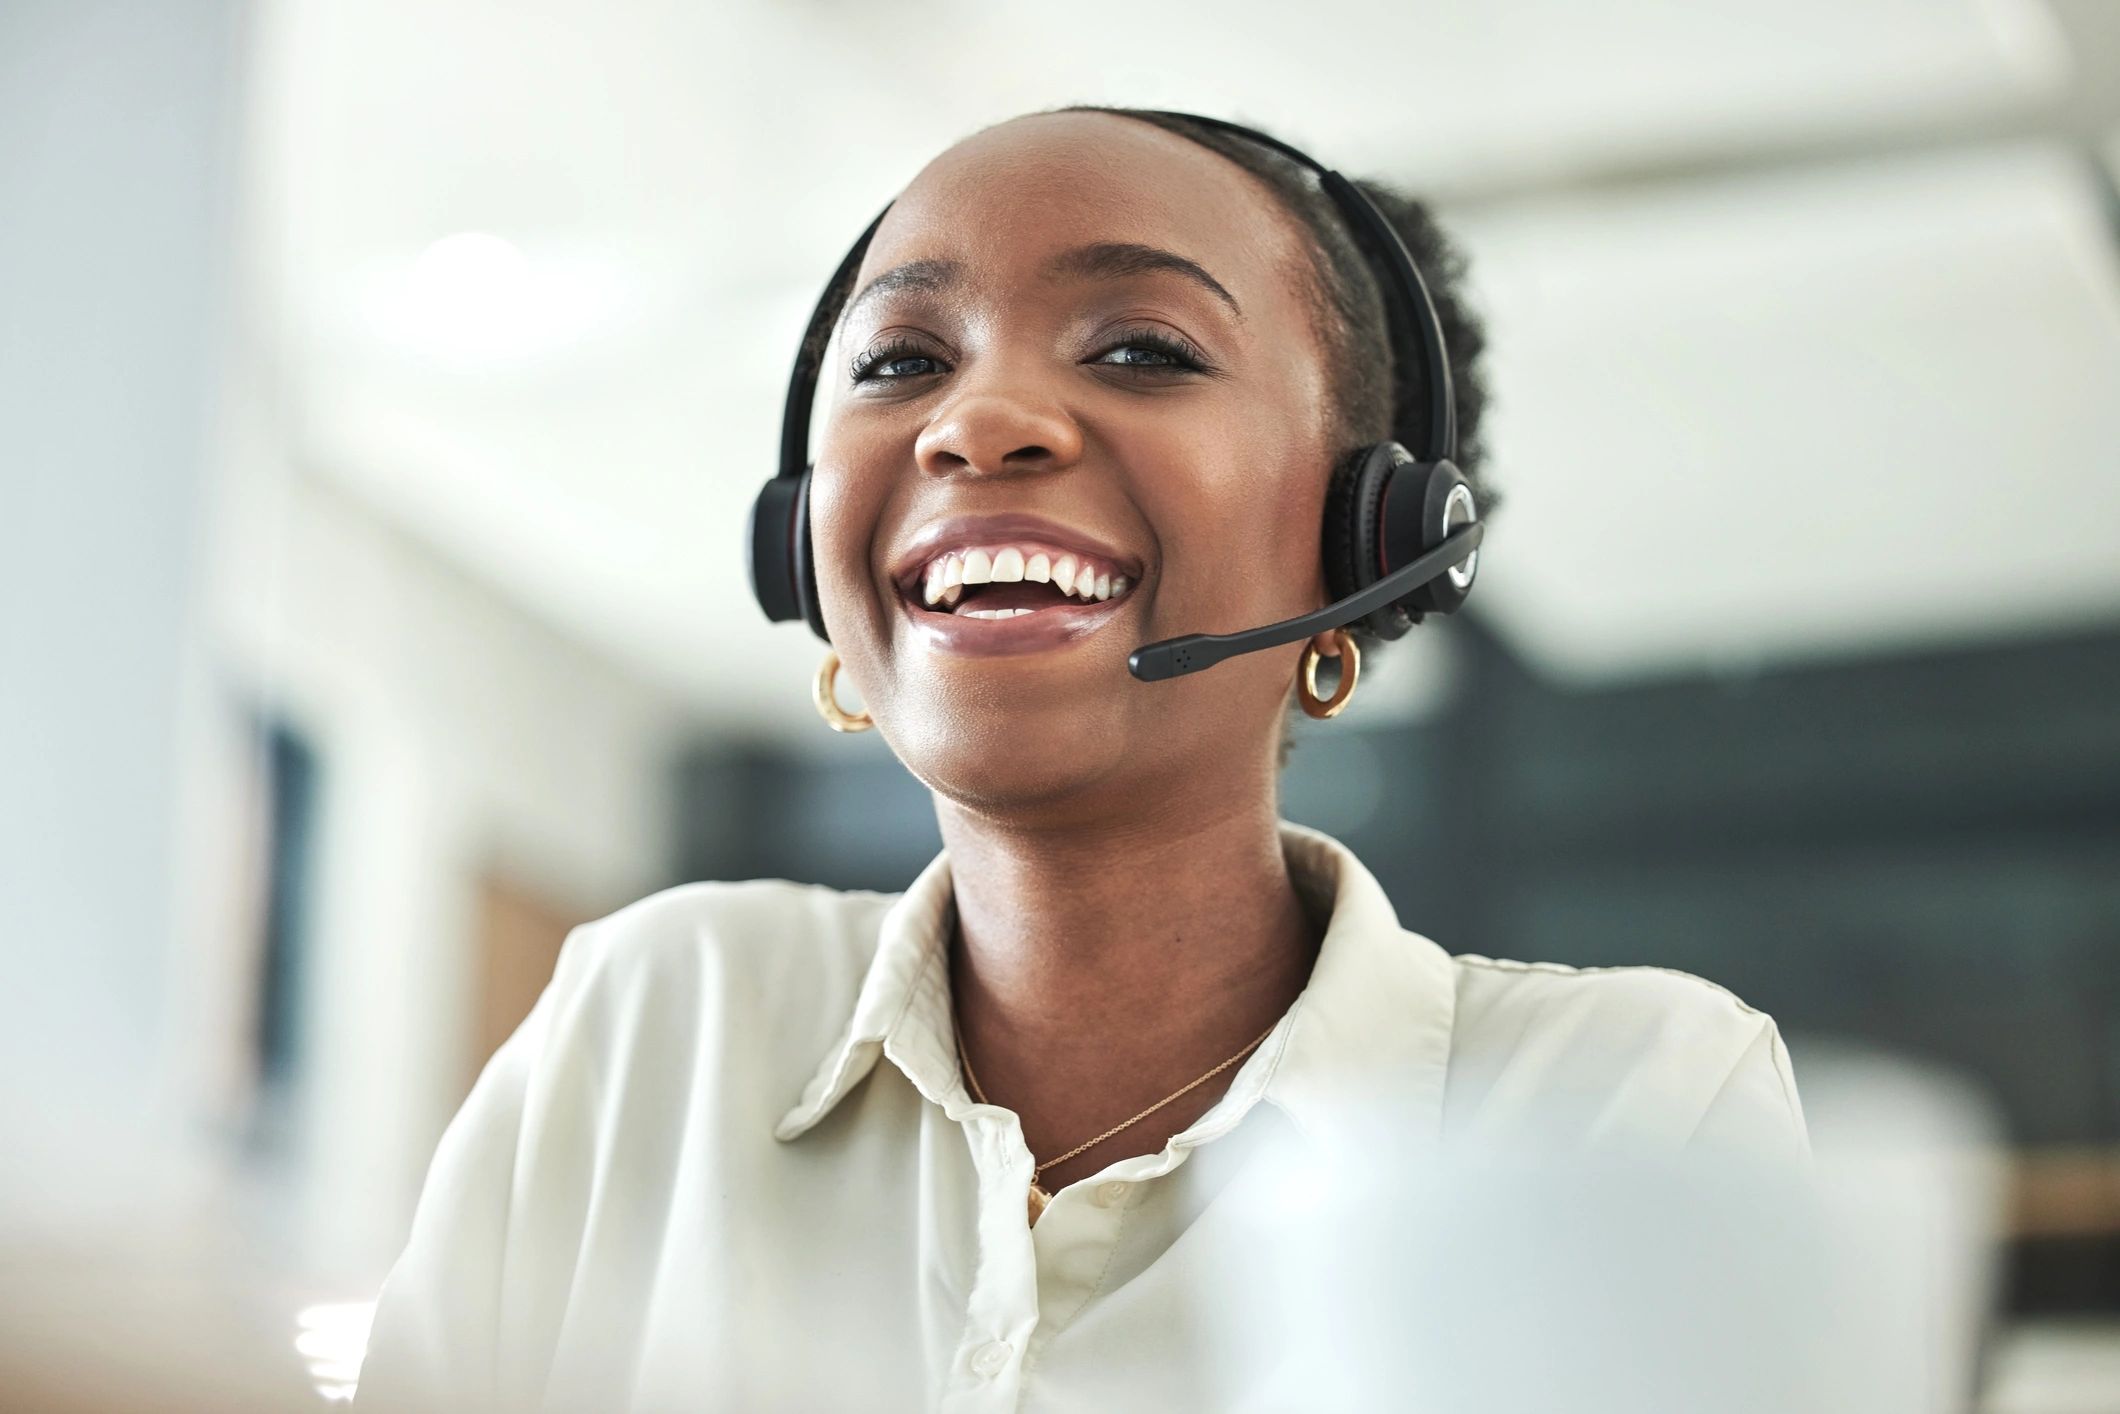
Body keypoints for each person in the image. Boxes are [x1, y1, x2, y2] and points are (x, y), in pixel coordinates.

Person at [356, 106, 1808, 1413]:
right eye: (903, 360)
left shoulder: (1621, 1114)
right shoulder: (654, 1024)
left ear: (1369, 543)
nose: (976, 421)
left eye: (1142, 350)